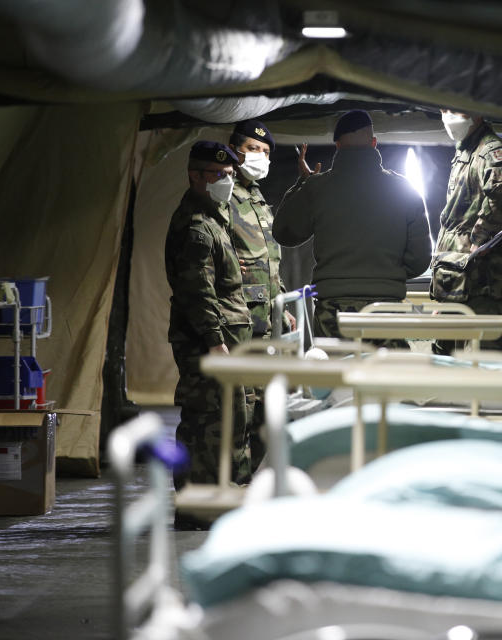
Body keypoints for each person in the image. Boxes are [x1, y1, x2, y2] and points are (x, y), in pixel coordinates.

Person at [272, 109, 432, 348]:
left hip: (333, 310)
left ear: (337, 146)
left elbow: (284, 233)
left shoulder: (317, 188)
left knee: (336, 382)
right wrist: (384, 272)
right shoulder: (404, 189)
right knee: (384, 381)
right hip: (385, 308)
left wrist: (302, 184)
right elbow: (420, 260)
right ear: (374, 143)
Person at [164, 141, 255, 501]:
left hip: (227, 340)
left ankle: (223, 498)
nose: (226, 182)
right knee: (207, 423)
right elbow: (197, 292)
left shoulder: (214, 217)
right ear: (195, 175)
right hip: (210, 343)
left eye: (230, 175)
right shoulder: (197, 226)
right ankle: (195, 505)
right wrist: (215, 340)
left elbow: (213, 275)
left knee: (232, 421)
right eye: (218, 175)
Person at [431, 109, 502, 354]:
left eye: (454, 109)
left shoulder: (490, 150)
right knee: (446, 366)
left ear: (476, 112)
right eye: (443, 109)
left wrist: (478, 239)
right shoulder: (465, 151)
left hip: (481, 282)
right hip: (454, 280)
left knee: (485, 368)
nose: (448, 115)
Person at [226, 119, 295, 338]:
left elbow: (269, 260)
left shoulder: (256, 196)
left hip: (265, 318)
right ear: (233, 150)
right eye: (253, 149)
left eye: (265, 152)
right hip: (237, 319)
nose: (261, 156)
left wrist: (280, 307)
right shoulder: (222, 194)